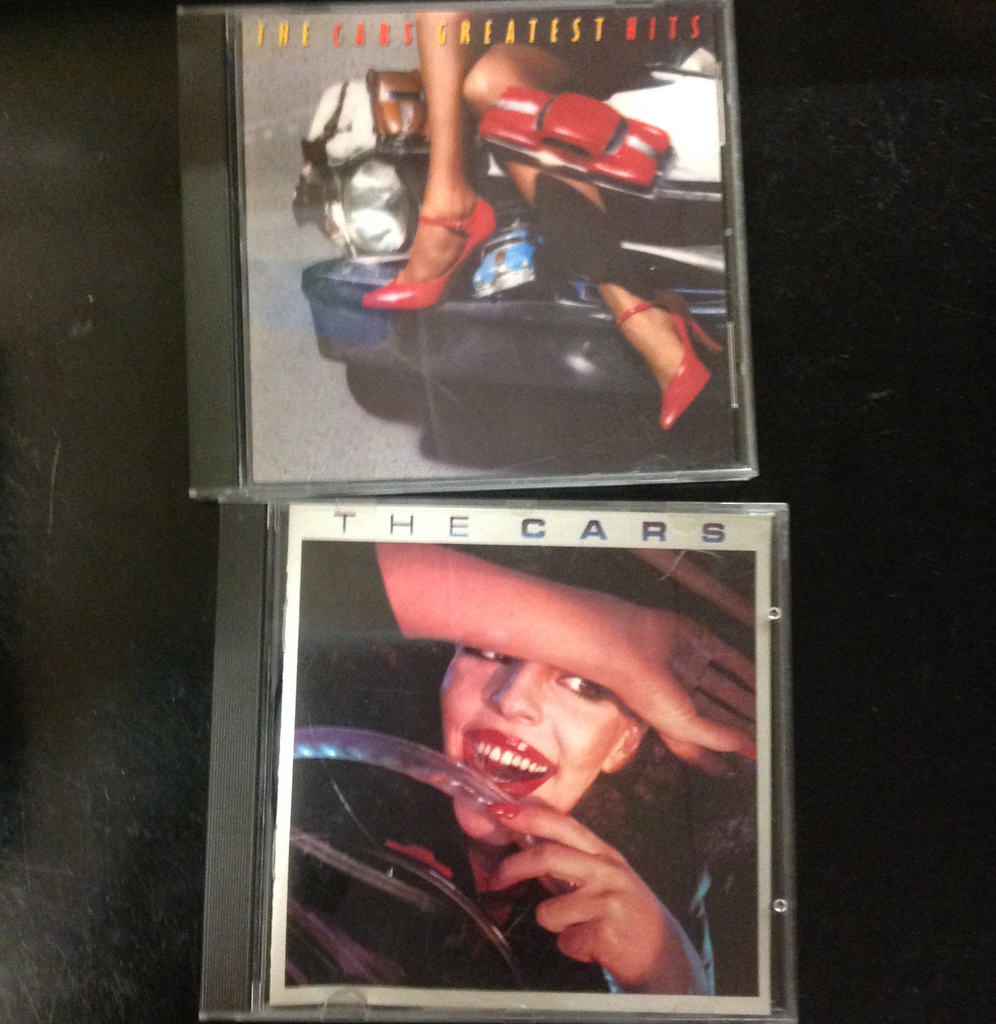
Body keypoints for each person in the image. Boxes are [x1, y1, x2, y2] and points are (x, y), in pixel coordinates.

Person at [288, 541, 757, 996]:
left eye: (585, 685)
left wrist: (672, 980)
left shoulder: (665, 895)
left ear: (625, 746)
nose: (513, 701)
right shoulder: (328, 781)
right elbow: (294, 574)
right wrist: (617, 636)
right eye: (489, 651)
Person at [361, 11, 721, 430]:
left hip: (614, 28)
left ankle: (448, 208)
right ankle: (641, 316)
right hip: (530, 28)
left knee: (474, 58)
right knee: (487, 79)